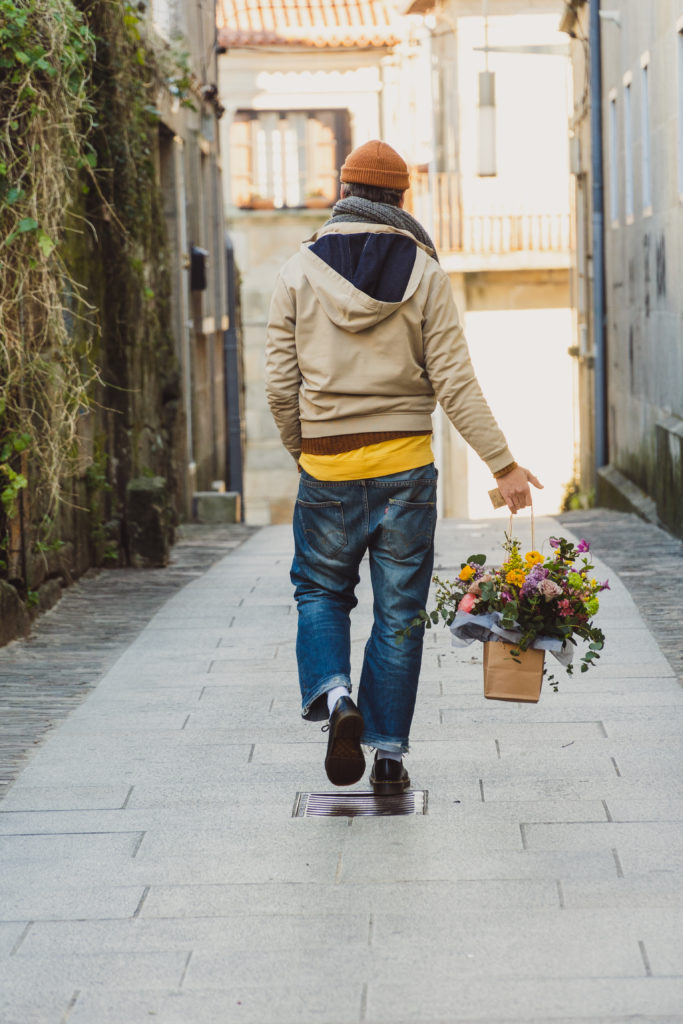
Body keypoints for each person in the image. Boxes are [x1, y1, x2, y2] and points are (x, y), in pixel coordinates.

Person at [265, 140, 542, 794]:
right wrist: (503, 467)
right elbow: (455, 383)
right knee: (398, 615)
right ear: (399, 200)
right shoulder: (424, 272)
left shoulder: (296, 271)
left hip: (327, 469)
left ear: (344, 191)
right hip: (406, 473)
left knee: (320, 592)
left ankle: (337, 701)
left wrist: (303, 449)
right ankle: (386, 755)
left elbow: (279, 385)